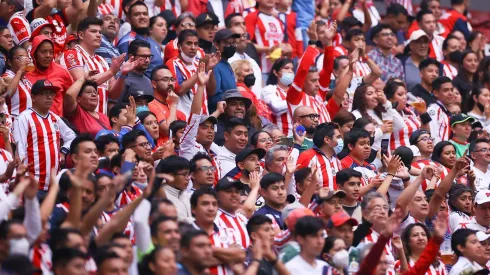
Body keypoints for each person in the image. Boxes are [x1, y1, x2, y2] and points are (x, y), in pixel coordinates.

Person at [14, 80, 76, 192]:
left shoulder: (55, 118)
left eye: (51, 93)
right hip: (32, 185)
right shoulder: (24, 118)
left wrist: (63, 151)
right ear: (33, 97)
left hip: (54, 185)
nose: (49, 97)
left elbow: (71, 136)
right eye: (44, 93)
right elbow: (20, 151)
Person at [189, 188, 246, 273]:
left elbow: (241, 255)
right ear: (193, 209)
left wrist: (204, 250)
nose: (211, 208)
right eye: (205, 204)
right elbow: (196, 262)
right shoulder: (187, 232)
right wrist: (230, 255)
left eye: (214, 204)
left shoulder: (228, 232)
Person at [26, 35, 74, 116]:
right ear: (34, 53)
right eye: (43, 51)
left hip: (56, 124)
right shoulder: (25, 73)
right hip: (32, 124)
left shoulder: (62, 71)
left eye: (51, 52)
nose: (48, 55)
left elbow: (72, 96)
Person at [351, 84, 405, 151]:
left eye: (375, 93)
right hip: (369, 156)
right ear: (361, 97)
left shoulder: (381, 113)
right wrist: (381, 130)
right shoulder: (356, 114)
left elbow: (400, 125)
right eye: (370, 93)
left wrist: (386, 103)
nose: (375, 96)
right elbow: (360, 138)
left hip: (385, 155)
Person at [117, 2, 164, 77]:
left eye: (145, 14)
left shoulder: (153, 42)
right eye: (137, 14)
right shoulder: (128, 41)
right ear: (129, 18)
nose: (142, 17)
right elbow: (130, 73)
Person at [297, 123, 342, 190]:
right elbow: (298, 186)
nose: (341, 140)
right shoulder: (307, 157)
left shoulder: (337, 160)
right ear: (327, 140)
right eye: (338, 137)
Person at [148, 65, 186, 139]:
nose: (170, 83)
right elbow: (169, 131)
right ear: (154, 84)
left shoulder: (176, 110)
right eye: (165, 79)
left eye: (172, 79)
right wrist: (174, 105)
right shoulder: (151, 105)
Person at [207, 29, 240, 113]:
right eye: (226, 43)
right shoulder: (215, 65)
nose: (231, 46)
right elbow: (214, 96)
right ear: (216, 45)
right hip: (218, 115)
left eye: (233, 43)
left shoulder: (227, 64)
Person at [261, 58, 295, 136]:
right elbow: (276, 108)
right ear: (276, 72)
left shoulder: (297, 92)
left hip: (299, 138)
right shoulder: (269, 90)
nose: (290, 71)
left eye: (292, 69)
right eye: (286, 68)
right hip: (279, 139)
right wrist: (296, 98)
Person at [228, 24, 262, 98]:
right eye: (237, 36)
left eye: (244, 35)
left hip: (257, 103)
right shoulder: (228, 60)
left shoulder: (252, 61)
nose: (242, 38)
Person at [156, 155, 192, 221]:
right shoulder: (161, 197)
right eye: (184, 174)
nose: (189, 178)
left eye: (189, 174)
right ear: (170, 176)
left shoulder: (188, 196)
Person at [427, 76, 454, 144]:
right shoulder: (433, 110)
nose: (450, 93)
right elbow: (432, 136)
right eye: (446, 90)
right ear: (436, 93)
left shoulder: (445, 111)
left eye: (451, 90)